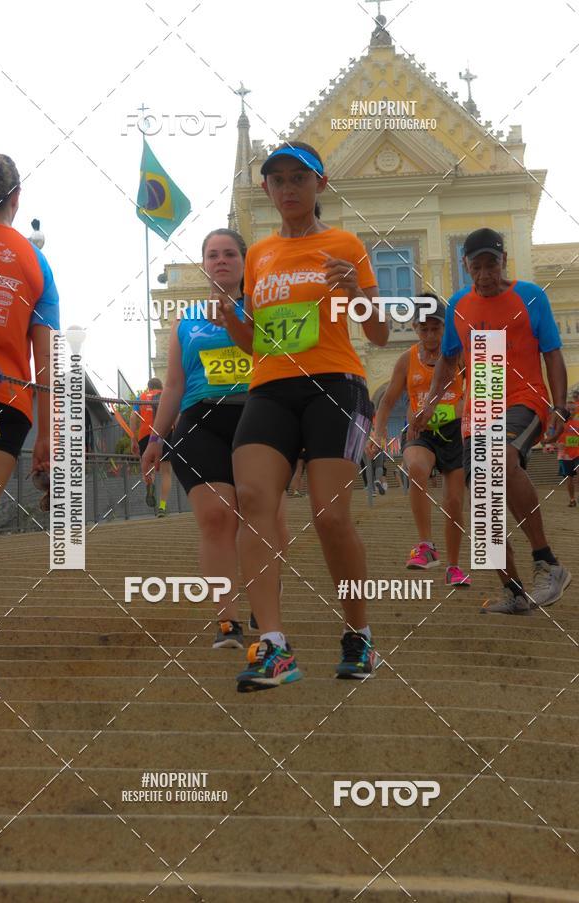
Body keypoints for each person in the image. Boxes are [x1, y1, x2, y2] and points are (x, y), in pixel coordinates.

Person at [220, 141, 389, 691]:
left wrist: (354, 292)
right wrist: (231, 318)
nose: (288, 188)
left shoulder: (344, 243)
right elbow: (252, 342)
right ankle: (272, 646)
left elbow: (378, 332)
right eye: (278, 180)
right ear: (266, 190)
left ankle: (358, 634)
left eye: (300, 178)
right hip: (269, 388)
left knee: (330, 517)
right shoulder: (258, 255)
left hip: (335, 386)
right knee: (251, 501)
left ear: (320, 186)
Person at [141, 228, 288, 649]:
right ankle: (227, 620)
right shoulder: (185, 321)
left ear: (245, 263)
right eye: (212, 255)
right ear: (204, 264)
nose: (220, 260)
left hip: (257, 417)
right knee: (216, 518)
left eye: (229, 254)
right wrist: (155, 438)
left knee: (267, 520)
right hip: (199, 421)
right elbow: (172, 385)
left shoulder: (263, 308)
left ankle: (265, 605)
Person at [413, 228, 571, 614]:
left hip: (524, 396)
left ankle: (547, 562)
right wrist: (431, 403)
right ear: (465, 266)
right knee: (483, 503)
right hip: (481, 401)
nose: (484, 275)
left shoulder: (530, 296)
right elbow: (449, 359)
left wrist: (560, 406)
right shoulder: (459, 305)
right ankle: (515, 591)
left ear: (504, 263)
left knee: (500, 456)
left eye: (491, 265)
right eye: (476, 266)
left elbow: (552, 353)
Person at [0, 154, 60, 675]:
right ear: (15, 199)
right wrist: (48, 438)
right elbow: (48, 362)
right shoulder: (35, 263)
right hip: (4, 399)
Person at [373, 297, 470, 586]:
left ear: (446, 329)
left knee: (453, 502)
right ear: (415, 328)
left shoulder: (459, 354)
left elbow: (479, 388)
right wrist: (378, 434)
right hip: (420, 433)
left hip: (454, 432)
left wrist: (462, 406)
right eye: (423, 329)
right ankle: (425, 545)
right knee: (414, 467)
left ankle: (453, 565)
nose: (430, 336)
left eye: (436, 329)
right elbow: (388, 400)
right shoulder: (407, 359)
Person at [130, 377, 173, 517]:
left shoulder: (141, 397)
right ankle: (162, 507)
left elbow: (133, 417)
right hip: (164, 433)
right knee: (166, 472)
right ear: (160, 386)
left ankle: (150, 483)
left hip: (145, 435)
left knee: (148, 468)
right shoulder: (166, 394)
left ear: (148, 388)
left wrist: (133, 439)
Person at [556, 390, 579, 507]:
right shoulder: (559, 423)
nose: (570, 412)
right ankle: (572, 499)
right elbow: (554, 437)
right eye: (568, 410)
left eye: (573, 410)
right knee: (569, 477)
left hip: (577, 453)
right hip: (565, 455)